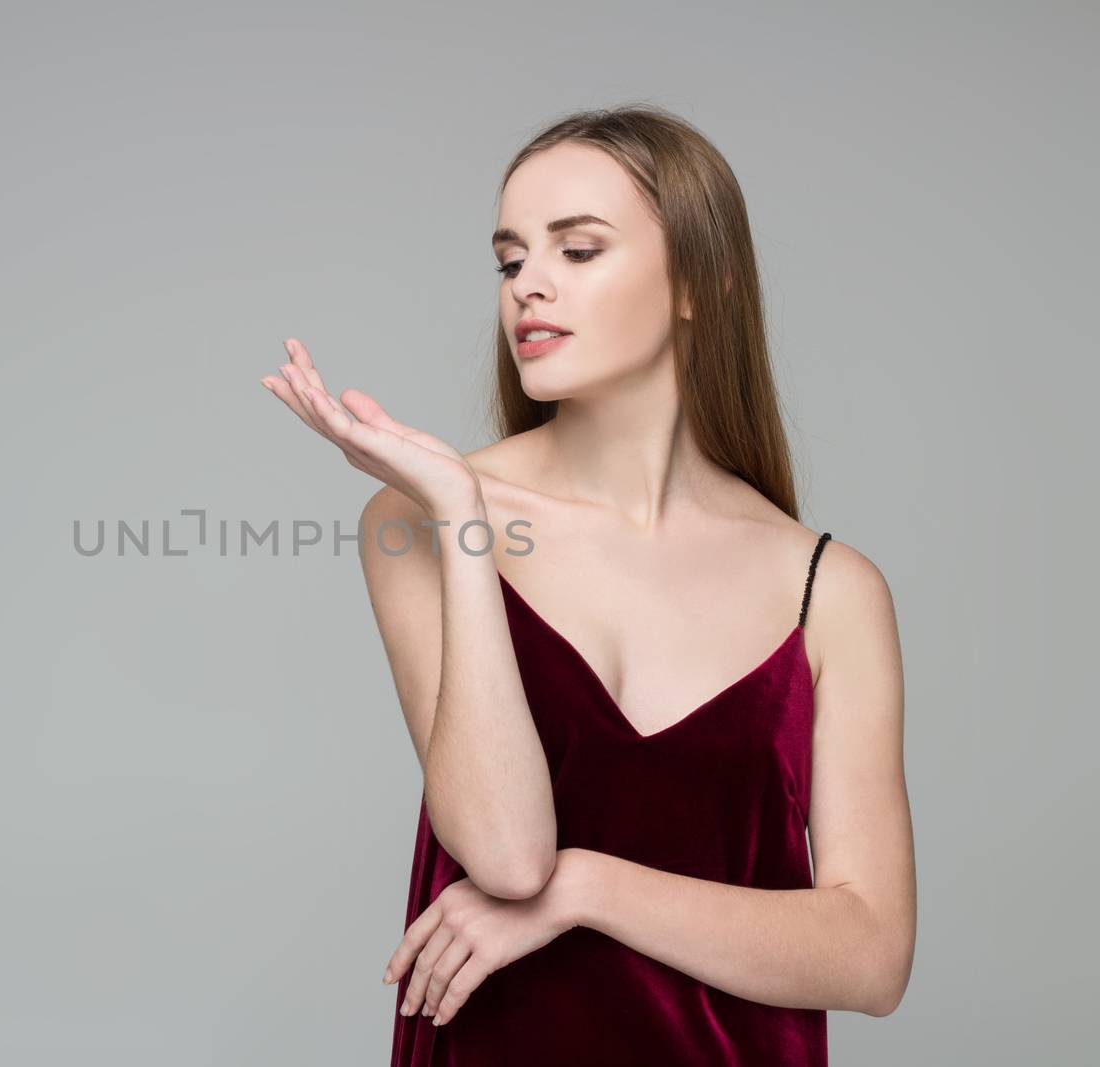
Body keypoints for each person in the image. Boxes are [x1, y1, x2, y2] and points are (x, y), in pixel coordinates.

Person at [259, 104, 915, 1065]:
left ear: (699, 281)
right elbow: (506, 853)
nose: (529, 285)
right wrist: (460, 510)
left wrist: (588, 888)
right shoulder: (416, 522)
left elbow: (872, 954)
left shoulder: (833, 590)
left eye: (578, 250)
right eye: (510, 257)